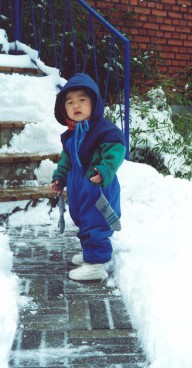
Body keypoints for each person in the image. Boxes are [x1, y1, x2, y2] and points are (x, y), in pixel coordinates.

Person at [50, 73, 126, 281]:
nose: (76, 105)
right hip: (78, 190)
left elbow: (115, 152)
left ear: (94, 103)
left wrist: (103, 171)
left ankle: (96, 264)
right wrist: (59, 178)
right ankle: (90, 254)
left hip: (97, 188)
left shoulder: (104, 131)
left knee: (96, 223)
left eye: (82, 100)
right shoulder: (70, 136)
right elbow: (66, 161)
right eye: (70, 102)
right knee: (84, 221)